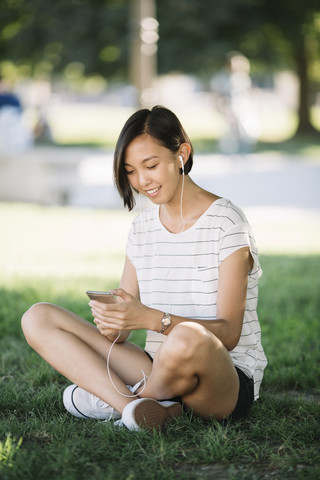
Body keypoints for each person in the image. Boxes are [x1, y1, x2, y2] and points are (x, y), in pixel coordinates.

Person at [21, 106, 267, 431]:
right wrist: (116, 323)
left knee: (187, 337)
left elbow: (229, 334)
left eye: (150, 166)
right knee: (38, 316)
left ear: (182, 154)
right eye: (131, 171)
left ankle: (121, 399)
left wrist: (151, 319)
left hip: (221, 377)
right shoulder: (142, 228)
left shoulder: (226, 221)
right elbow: (125, 327)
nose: (142, 182)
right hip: (156, 366)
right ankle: (136, 409)